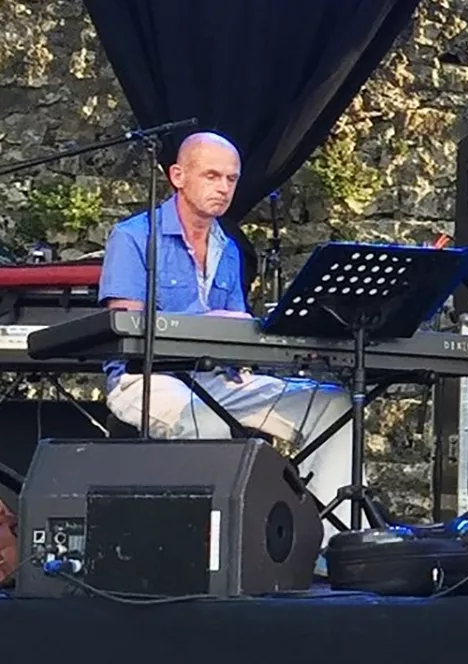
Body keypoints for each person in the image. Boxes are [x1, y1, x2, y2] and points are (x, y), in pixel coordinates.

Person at [97, 132, 355, 509]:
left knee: (333, 404)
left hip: (216, 380)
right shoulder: (133, 237)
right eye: (211, 176)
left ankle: (329, 541)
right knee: (210, 423)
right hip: (145, 381)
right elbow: (126, 327)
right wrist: (206, 322)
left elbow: (235, 337)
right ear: (178, 176)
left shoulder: (229, 248)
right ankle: (215, 548)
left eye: (231, 179)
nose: (223, 187)